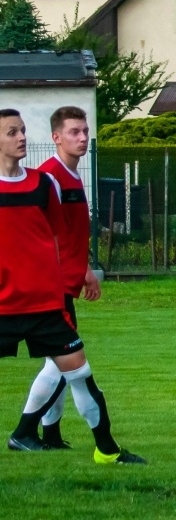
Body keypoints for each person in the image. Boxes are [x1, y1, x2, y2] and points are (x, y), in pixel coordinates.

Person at [1, 109, 143, 464]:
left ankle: (106, 451)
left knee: (78, 373)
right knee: (64, 372)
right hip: (6, 305)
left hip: (45, 304)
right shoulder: (51, 176)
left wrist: (76, 273)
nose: (21, 137)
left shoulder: (42, 185)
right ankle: (30, 433)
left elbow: (56, 237)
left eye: (22, 130)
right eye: (11, 132)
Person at [11, 106, 100, 450]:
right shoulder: (50, 177)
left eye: (85, 131)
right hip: (52, 285)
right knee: (65, 361)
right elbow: (47, 237)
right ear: (56, 137)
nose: (82, 138)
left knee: (60, 361)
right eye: (74, 132)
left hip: (66, 281)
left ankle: (49, 435)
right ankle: (23, 432)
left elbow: (72, 236)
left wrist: (86, 269)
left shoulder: (72, 174)